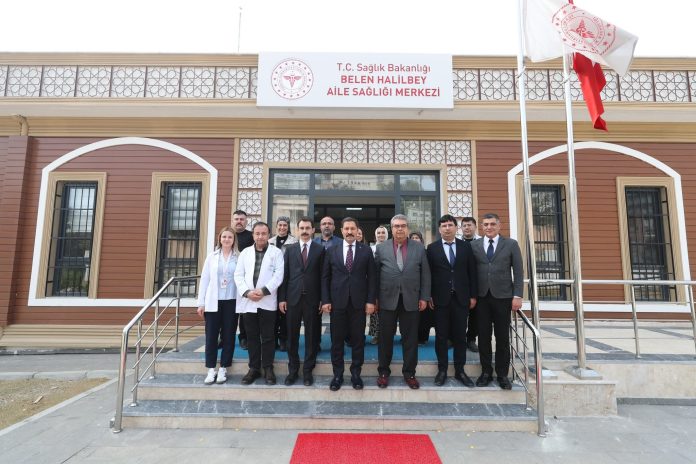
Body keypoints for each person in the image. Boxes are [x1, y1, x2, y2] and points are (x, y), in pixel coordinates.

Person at [374, 214, 431, 390]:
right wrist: (375, 298)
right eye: (396, 226)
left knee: (411, 339)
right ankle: (384, 372)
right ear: (391, 229)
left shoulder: (418, 248)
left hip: (411, 299)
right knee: (385, 339)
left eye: (403, 226)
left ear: (407, 228)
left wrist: (424, 297)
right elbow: (375, 275)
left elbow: (426, 275)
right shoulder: (381, 248)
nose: (400, 229)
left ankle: (409, 373)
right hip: (386, 300)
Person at [321, 217, 377, 391]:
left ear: (357, 230)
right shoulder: (332, 250)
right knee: (337, 341)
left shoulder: (366, 250)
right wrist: (326, 300)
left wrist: (370, 301)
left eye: (353, 228)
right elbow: (325, 277)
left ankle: (355, 374)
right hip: (337, 303)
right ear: (341, 230)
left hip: (359, 304)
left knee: (358, 341)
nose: (350, 232)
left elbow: (372, 278)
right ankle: (337, 375)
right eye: (346, 229)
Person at [471, 213, 523, 390]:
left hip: (503, 297)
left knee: (502, 337)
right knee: (483, 337)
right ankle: (486, 372)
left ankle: (502, 374)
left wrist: (518, 295)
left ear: (499, 226)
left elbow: (519, 271)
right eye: (485, 224)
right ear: (481, 227)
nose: (489, 227)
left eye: (492, 224)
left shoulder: (511, 244)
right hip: (481, 298)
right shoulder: (474, 245)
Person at [426, 215, 478, 387]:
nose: (447, 228)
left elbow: (472, 272)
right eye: (444, 226)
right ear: (439, 229)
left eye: (450, 225)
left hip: (461, 298)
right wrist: (429, 295)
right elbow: (428, 274)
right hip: (440, 299)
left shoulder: (466, 247)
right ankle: (442, 370)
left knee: (460, 336)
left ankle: (460, 371)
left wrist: (473, 295)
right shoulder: (432, 248)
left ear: (456, 228)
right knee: (441, 336)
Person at [234, 222, 285, 386]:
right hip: (248, 301)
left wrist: (263, 291)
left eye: (263, 233)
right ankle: (254, 368)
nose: (260, 236)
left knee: (269, 337)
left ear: (268, 235)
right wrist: (247, 292)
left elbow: (279, 275)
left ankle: (268, 368)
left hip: (267, 301)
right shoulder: (245, 253)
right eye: (257, 233)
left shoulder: (276, 253)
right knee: (252, 337)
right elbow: (238, 275)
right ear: (253, 235)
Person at [278, 217, 325, 387]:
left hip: (313, 300)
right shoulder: (290, 250)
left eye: (307, 228)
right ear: (297, 230)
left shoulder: (320, 250)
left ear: (313, 230)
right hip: (293, 299)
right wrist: (282, 298)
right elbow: (284, 276)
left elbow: (323, 277)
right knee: (292, 337)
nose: (304, 231)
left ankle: (307, 371)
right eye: (302, 228)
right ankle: (292, 371)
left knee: (312, 337)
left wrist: (323, 299)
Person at [196, 226, 240, 385]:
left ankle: (223, 368)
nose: (227, 239)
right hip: (213, 302)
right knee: (211, 336)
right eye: (224, 237)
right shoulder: (211, 257)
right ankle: (211, 369)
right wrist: (201, 303)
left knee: (229, 335)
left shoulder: (239, 257)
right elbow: (204, 280)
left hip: (231, 301)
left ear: (234, 240)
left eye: (230, 237)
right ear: (220, 239)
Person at [313, 216, 343, 352]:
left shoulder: (341, 243)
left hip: (336, 285)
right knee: (314, 317)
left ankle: (336, 345)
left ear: (334, 227)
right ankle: (315, 344)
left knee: (337, 319)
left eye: (329, 223)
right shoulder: (313, 243)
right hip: (315, 284)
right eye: (324, 223)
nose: (326, 226)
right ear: (320, 227)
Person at [269, 216, 298, 352]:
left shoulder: (294, 242)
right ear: (276, 227)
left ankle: (283, 339)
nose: (282, 228)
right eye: (280, 225)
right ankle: (273, 339)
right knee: (272, 312)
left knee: (285, 312)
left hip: (287, 280)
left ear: (288, 227)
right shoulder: (269, 242)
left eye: (285, 225)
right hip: (272, 281)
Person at [232, 210, 254, 350]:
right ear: (232, 220)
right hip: (228, 280)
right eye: (236, 219)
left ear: (246, 221)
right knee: (229, 310)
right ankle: (224, 337)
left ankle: (244, 338)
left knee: (244, 311)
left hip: (245, 280)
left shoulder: (251, 236)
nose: (239, 221)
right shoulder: (227, 235)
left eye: (242, 219)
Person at [460, 216, 481, 353]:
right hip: (460, 284)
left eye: (469, 225)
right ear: (461, 228)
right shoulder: (456, 242)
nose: (467, 228)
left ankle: (471, 339)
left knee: (475, 315)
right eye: (464, 225)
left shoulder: (481, 242)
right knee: (459, 314)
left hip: (478, 283)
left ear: (475, 227)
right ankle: (456, 338)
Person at [410, 231, 432, 345]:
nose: (415, 239)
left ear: (421, 240)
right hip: (411, 289)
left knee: (424, 315)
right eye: (412, 238)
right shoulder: (406, 252)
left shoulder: (426, 252)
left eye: (417, 237)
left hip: (423, 288)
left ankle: (422, 337)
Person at [368, 225, 389, 345]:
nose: (381, 235)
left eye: (383, 232)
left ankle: (387, 335)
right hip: (375, 283)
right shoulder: (371, 249)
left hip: (388, 285)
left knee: (388, 312)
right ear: (376, 235)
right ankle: (376, 335)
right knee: (375, 311)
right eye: (379, 233)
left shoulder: (391, 247)